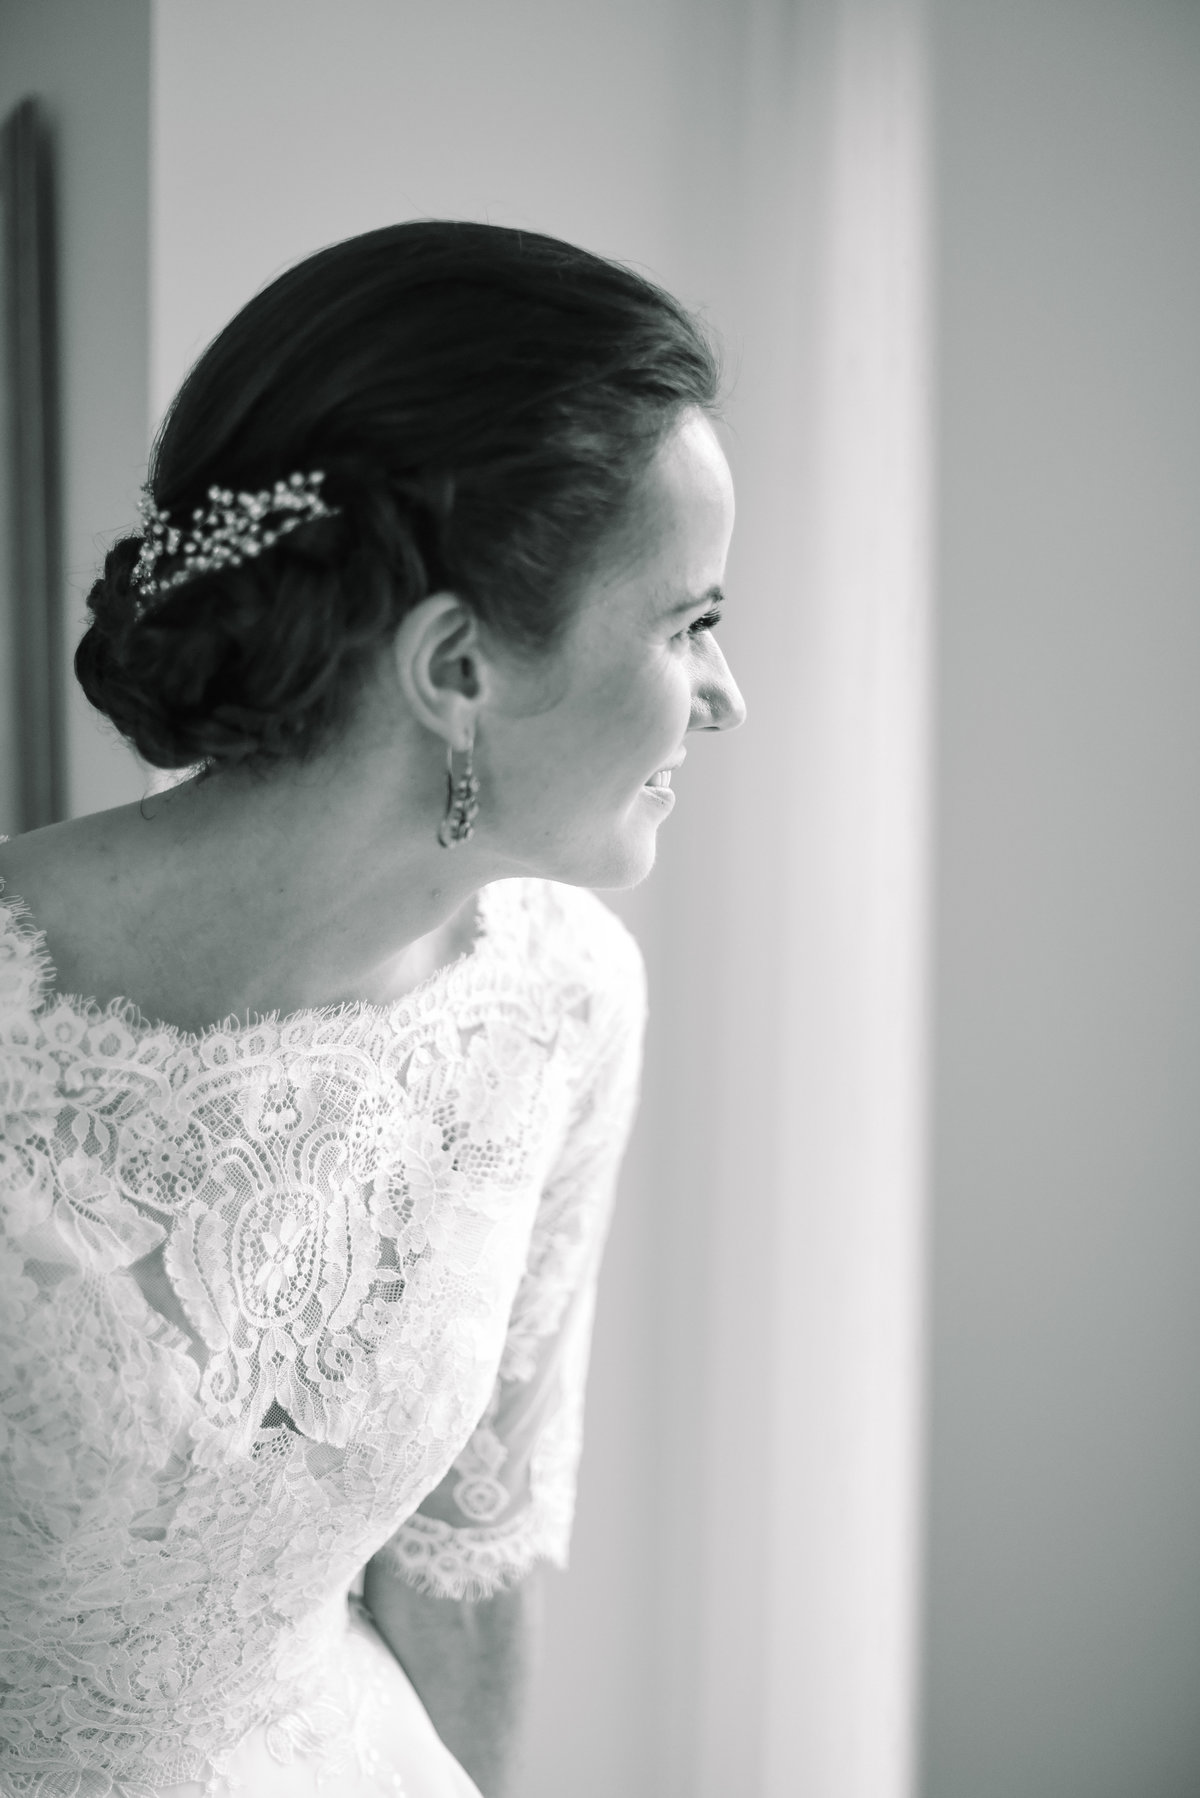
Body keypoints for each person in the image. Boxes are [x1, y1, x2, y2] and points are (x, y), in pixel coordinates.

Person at [0, 219, 745, 1798]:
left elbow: (466, 1560)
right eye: (690, 623)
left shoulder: (566, 1001)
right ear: (457, 664)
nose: (728, 691)